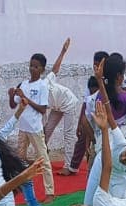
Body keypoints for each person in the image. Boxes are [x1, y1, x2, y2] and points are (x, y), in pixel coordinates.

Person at [11, 52, 56, 200]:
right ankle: (19, 187)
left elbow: (43, 109)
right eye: (31, 65)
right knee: (19, 158)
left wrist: (25, 98)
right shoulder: (24, 84)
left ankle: (50, 192)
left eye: (36, 67)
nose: (32, 69)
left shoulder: (42, 86)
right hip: (23, 127)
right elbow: (14, 104)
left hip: (35, 128)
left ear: (42, 69)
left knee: (43, 159)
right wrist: (12, 95)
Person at [42, 38, 82, 177]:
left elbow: (55, 69)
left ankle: (69, 166)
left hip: (68, 102)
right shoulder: (35, 98)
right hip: (57, 106)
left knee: (68, 134)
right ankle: (42, 160)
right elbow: (42, 120)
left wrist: (63, 51)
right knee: (46, 131)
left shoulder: (45, 83)